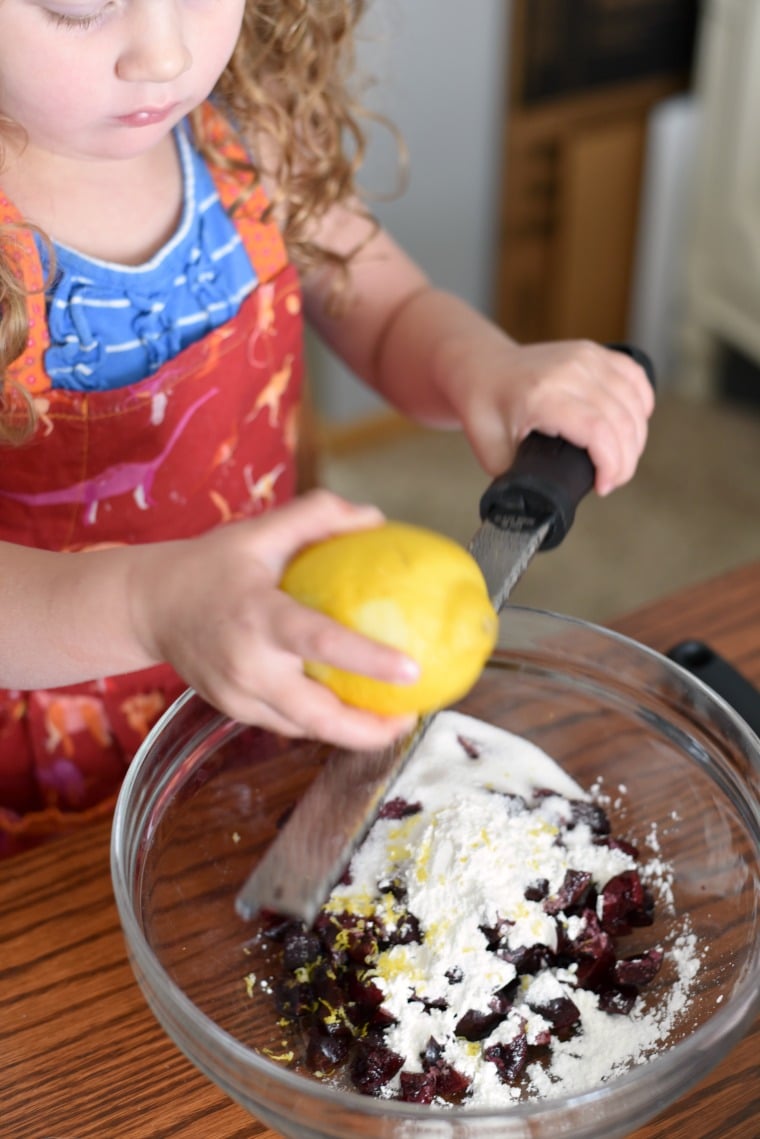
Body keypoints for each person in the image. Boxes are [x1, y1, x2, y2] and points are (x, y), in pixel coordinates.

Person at [0, 0, 654, 852]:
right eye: (79, 4)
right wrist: (151, 604)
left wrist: (483, 367)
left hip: (275, 662)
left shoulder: (250, 133)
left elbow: (390, 316)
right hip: (44, 739)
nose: (163, 55)